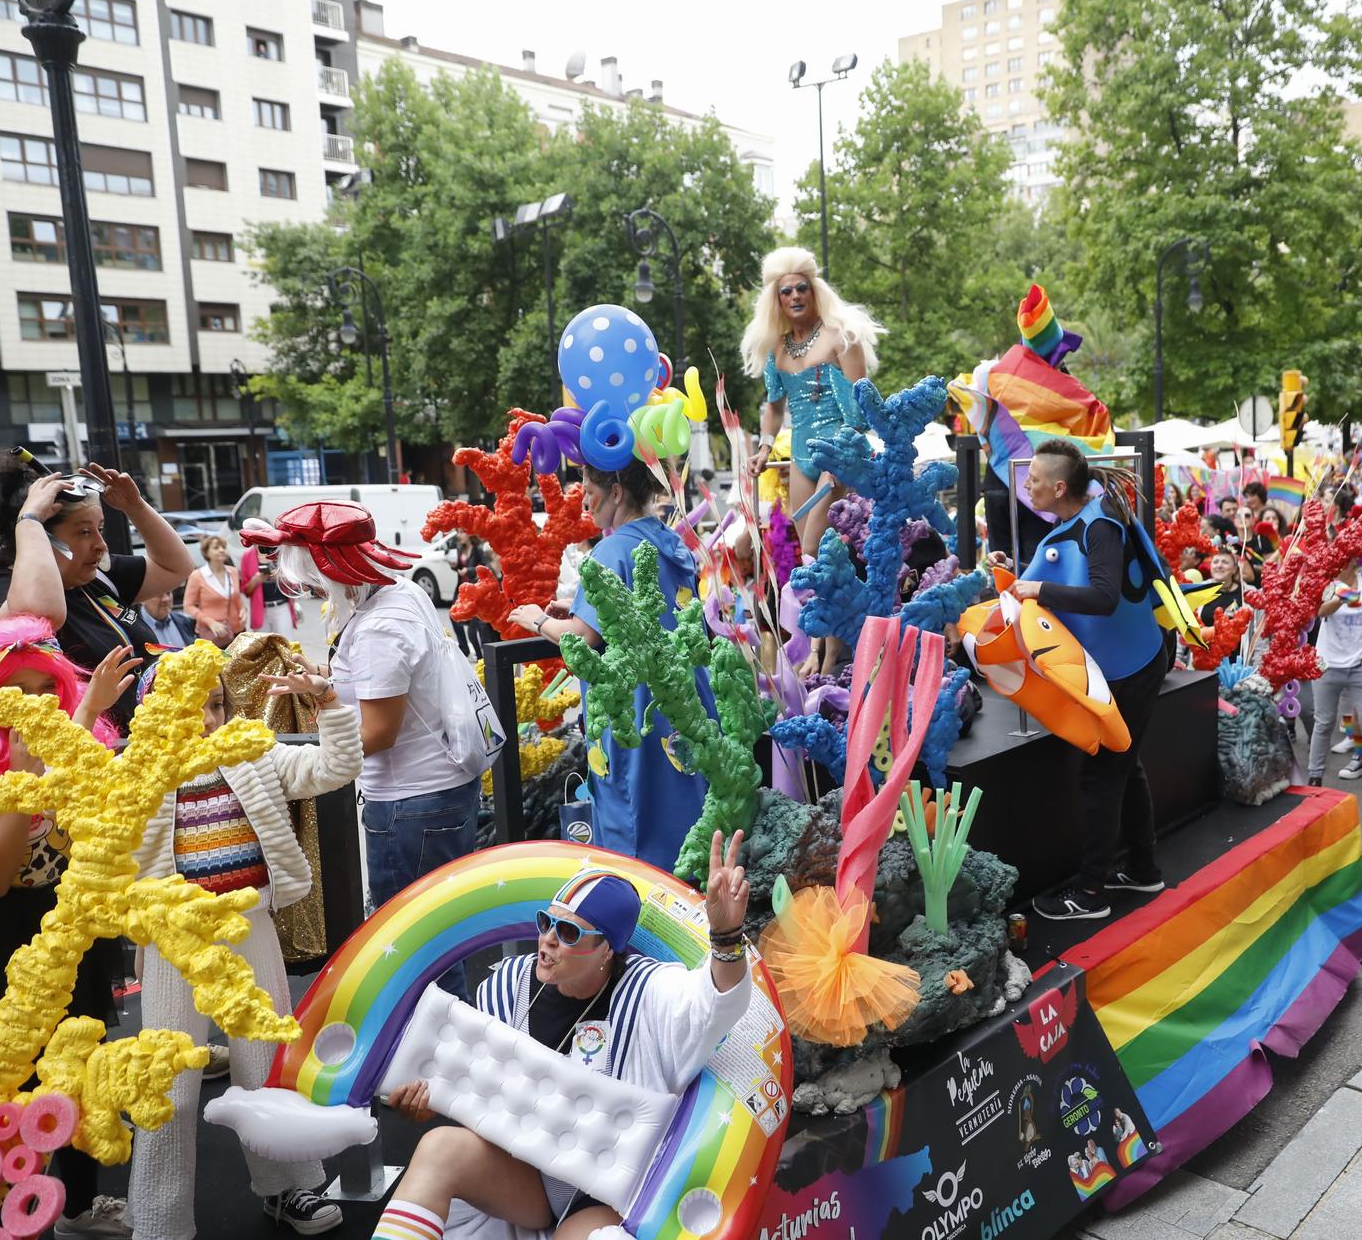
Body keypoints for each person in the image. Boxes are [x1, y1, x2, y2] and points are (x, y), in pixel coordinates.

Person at [359, 838, 754, 1240]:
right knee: (438, 1148)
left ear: (607, 949)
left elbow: (716, 1000)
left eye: (568, 934)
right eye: (547, 922)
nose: (547, 940)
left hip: (602, 1196)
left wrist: (725, 936)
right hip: (527, 1175)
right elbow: (476, 1092)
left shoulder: (649, 993)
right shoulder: (510, 984)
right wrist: (426, 1106)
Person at [128, 655, 359, 1240]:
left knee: (265, 1065)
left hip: (251, 924)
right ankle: (157, 1229)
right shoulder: (138, 771)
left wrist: (329, 704)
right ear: (154, 712)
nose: (205, 719)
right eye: (188, 706)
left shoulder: (252, 753)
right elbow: (86, 814)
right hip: (175, 939)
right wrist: (92, 713)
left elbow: (335, 767)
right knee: (168, 1085)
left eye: (215, 705)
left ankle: (288, 1186)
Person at [0, 616, 139, 1240]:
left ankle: (80, 1207)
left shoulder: (78, 743)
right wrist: (28, 780)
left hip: (68, 929)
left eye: (49, 690)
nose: (36, 704)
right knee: (8, 1084)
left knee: (80, 1063)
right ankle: (7, 1236)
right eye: (20, 690)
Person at [242, 501, 495, 998]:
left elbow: (379, 732)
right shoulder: (397, 596)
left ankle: (435, 1060)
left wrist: (316, 747)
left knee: (417, 952)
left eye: (310, 576)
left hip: (411, 807)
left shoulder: (381, 626)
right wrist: (326, 686)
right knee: (435, 941)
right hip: (433, 794)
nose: (311, 589)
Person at [508, 462, 718, 874]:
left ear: (616, 491)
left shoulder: (609, 549)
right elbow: (649, 610)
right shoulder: (666, 539)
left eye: (588, 488)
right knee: (683, 815)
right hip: (680, 701)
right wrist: (581, 609)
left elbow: (583, 637)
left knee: (635, 829)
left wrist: (537, 620)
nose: (585, 498)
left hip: (633, 709)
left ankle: (639, 927)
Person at [996, 440, 1174, 921]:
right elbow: (1037, 584)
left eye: (1032, 478)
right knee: (1124, 768)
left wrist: (1038, 587)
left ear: (1057, 487)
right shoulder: (1079, 522)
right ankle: (1143, 867)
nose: (1025, 484)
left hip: (1132, 667)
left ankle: (1091, 894)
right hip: (1123, 665)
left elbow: (1102, 597)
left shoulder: (1100, 524)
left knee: (1103, 777)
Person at [0, 452, 192, 729]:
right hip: (84, 758)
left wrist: (136, 507)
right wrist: (30, 519)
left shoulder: (95, 577)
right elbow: (40, 617)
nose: (101, 544)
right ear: (43, 537)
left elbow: (175, 567)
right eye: (84, 532)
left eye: (100, 529)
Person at [742, 247, 885, 558]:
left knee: (813, 546)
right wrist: (765, 447)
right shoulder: (776, 350)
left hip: (838, 452)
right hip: (800, 455)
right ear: (776, 300)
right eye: (787, 291)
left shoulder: (841, 338)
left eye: (802, 288)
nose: (795, 296)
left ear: (814, 291)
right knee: (814, 554)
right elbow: (774, 407)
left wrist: (845, 456)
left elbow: (862, 405)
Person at [1305, 556, 1362, 811]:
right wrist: (1341, 598)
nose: (1344, 561)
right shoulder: (1327, 583)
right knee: (1323, 722)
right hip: (1328, 664)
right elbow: (1320, 612)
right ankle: (1315, 779)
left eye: (1350, 557)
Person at [183, 534, 245, 647]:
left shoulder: (233, 572)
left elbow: (237, 597)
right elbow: (188, 606)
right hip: (214, 633)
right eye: (216, 548)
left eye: (223, 547)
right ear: (206, 553)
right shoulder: (197, 576)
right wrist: (210, 622)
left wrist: (243, 610)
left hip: (238, 629)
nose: (221, 550)